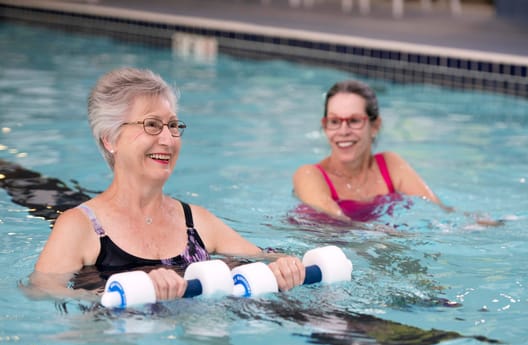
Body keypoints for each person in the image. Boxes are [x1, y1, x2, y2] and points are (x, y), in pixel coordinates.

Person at [31, 67, 305, 301]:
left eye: (173, 126)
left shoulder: (195, 221)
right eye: (152, 124)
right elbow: (40, 293)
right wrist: (129, 292)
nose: (168, 139)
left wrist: (285, 265)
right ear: (110, 139)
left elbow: (263, 257)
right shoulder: (81, 226)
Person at [293, 79, 451, 223]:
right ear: (325, 126)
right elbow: (338, 222)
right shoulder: (310, 175)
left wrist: (471, 225)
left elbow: (438, 211)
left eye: (354, 121)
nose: (343, 131)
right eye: (334, 121)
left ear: (375, 126)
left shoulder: (390, 165)